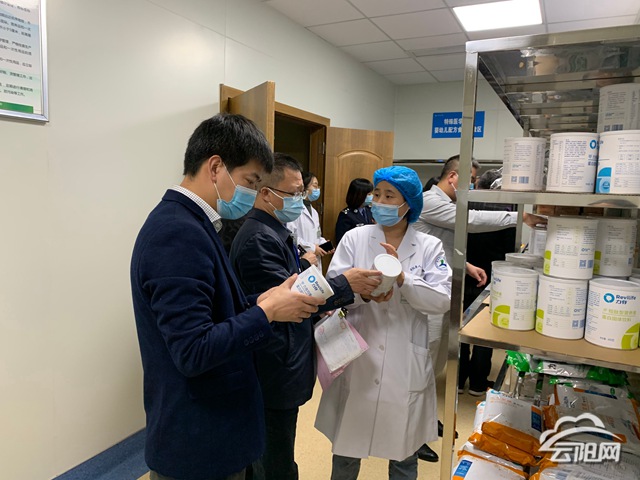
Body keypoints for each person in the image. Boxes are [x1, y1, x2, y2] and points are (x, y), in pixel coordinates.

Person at [130, 114, 325, 480]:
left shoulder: (195, 223)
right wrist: (266, 313)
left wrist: (260, 302)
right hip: (199, 439)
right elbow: (193, 350)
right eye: (250, 181)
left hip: (216, 428)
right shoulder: (177, 233)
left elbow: (214, 313)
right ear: (216, 167)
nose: (252, 194)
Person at [230, 153, 383, 480]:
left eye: (302, 192)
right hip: (273, 364)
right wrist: (345, 284)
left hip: (285, 357)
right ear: (266, 193)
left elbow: (295, 282)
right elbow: (288, 300)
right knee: (276, 458)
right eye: (294, 193)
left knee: (277, 448)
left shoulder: (275, 231)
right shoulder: (259, 238)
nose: (300, 200)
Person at [315, 166, 452, 480]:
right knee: (347, 449)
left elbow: (442, 300)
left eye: (390, 196)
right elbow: (333, 289)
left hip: (405, 359)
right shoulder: (355, 238)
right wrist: (363, 294)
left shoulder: (429, 246)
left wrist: (404, 279)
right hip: (359, 354)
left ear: (408, 204)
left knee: (404, 453)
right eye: (377, 194)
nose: (379, 202)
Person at [415, 154, 545, 391]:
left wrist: (465, 265)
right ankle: (415, 400)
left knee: (439, 350)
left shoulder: (448, 204)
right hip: (427, 289)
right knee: (428, 350)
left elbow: (441, 246)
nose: (473, 186)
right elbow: (472, 220)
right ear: (453, 176)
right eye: (471, 180)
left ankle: (424, 398)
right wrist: (521, 217)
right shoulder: (429, 201)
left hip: (444, 286)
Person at [459, 169, 517, 396]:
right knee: (484, 332)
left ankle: (458, 381)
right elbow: (510, 251)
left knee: (460, 328)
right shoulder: (507, 212)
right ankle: (477, 383)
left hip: (464, 272)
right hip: (492, 278)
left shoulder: (466, 208)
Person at [287, 171, 334, 270]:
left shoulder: (314, 212)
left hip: (315, 261)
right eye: (315, 186)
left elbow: (317, 236)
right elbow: (291, 237)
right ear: (304, 187)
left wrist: (323, 243)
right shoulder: (294, 209)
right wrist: (312, 248)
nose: (317, 190)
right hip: (302, 260)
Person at [335, 178, 375, 245]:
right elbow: (341, 240)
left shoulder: (371, 210)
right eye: (369, 194)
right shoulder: (346, 215)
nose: (372, 196)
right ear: (360, 195)